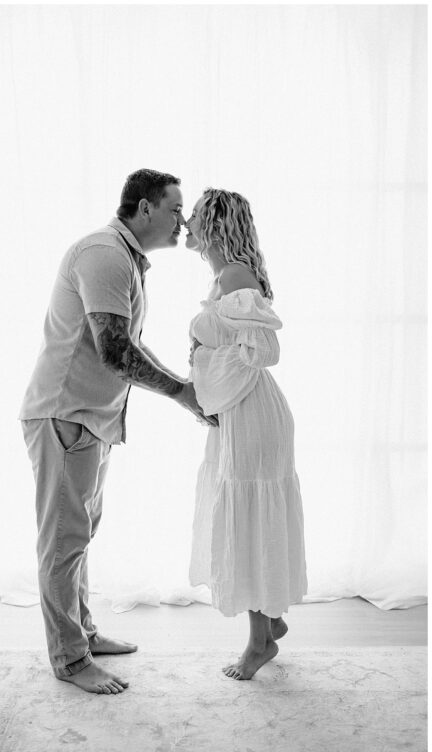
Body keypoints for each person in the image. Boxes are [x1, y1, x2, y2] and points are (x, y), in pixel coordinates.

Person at [19, 169, 217, 695]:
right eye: (176, 209)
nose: (183, 220)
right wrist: (181, 392)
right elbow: (115, 351)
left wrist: (182, 389)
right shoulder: (104, 253)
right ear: (146, 207)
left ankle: (82, 635)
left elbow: (125, 343)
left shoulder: (124, 257)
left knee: (78, 536)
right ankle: (69, 659)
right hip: (66, 415)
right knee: (63, 542)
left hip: (89, 419)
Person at [185, 188, 306, 680]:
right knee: (249, 516)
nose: (185, 223)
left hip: (250, 412)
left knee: (249, 521)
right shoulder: (225, 278)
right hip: (241, 411)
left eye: (192, 216)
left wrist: (205, 373)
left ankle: (258, 643)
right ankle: (271, 620)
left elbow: (260, 352)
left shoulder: (235, 275)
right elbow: (233, 349)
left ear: (214, 223)